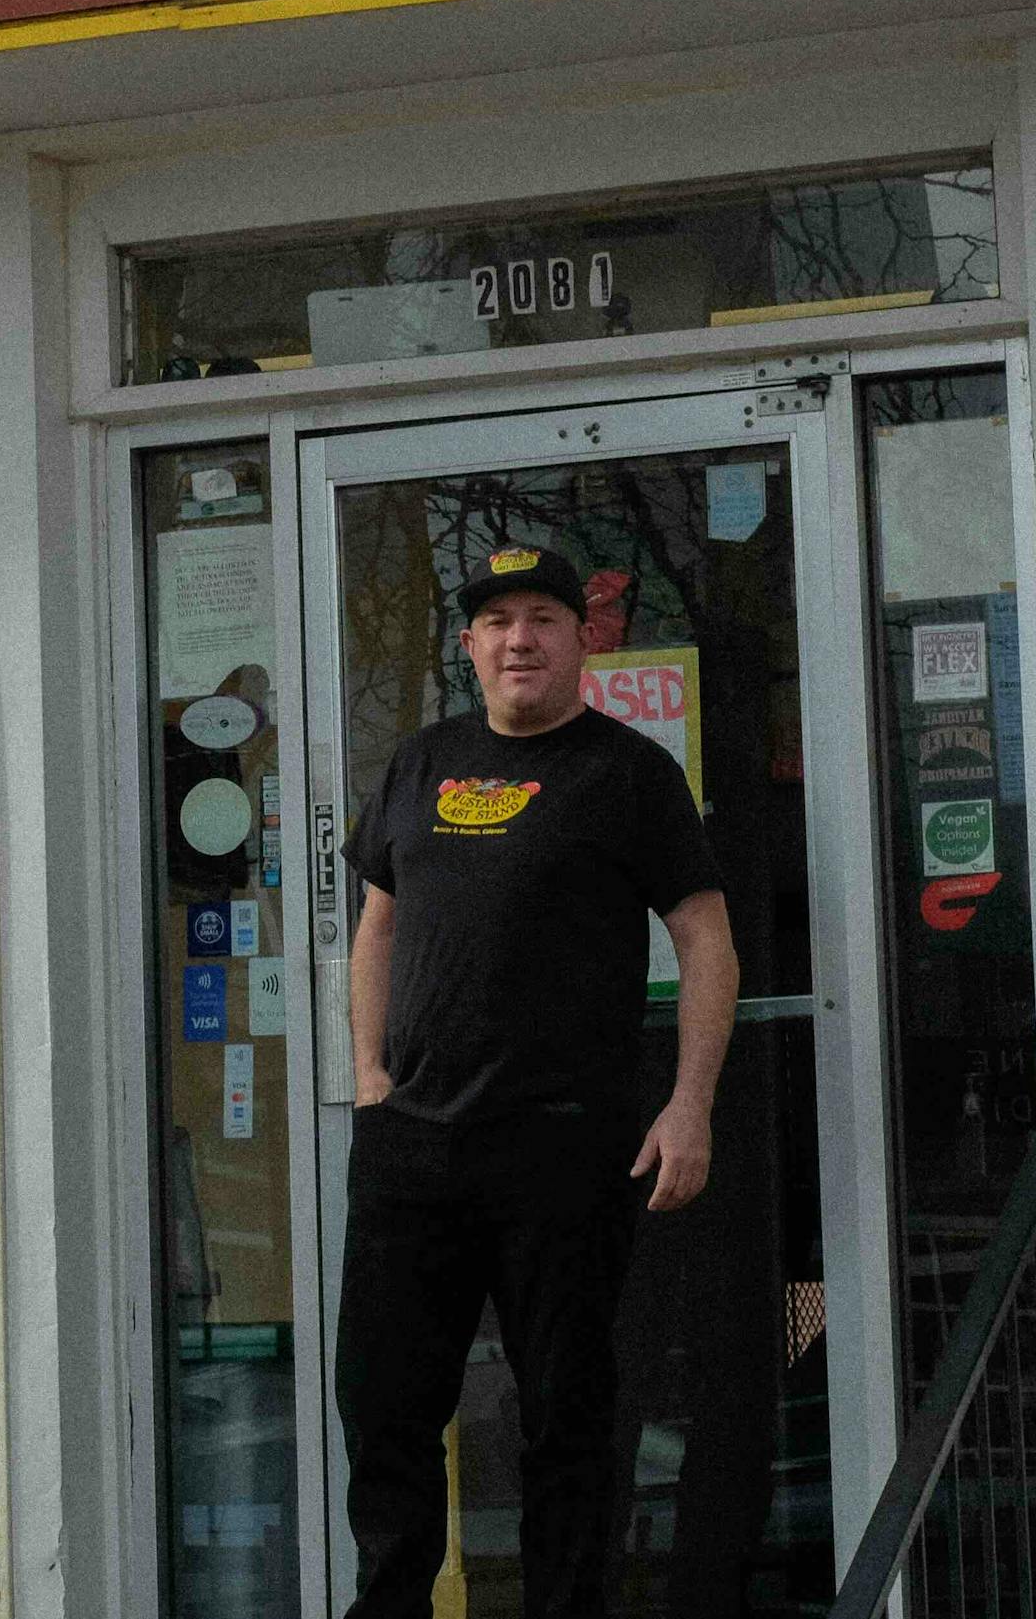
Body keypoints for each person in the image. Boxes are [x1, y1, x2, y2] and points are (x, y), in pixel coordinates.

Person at [338, 543, 740, 1619]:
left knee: (567, 1414)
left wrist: (688, 1100)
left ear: (580, 639)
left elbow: (706, 941)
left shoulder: (629, 771)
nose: (521, 638)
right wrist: (370, 1076)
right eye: (499, 621)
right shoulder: (419, 762)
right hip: (413, 1145)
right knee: (383, 1410)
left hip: (562, 1145)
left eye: (544, 619)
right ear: (470, 646)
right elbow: (376, 925)